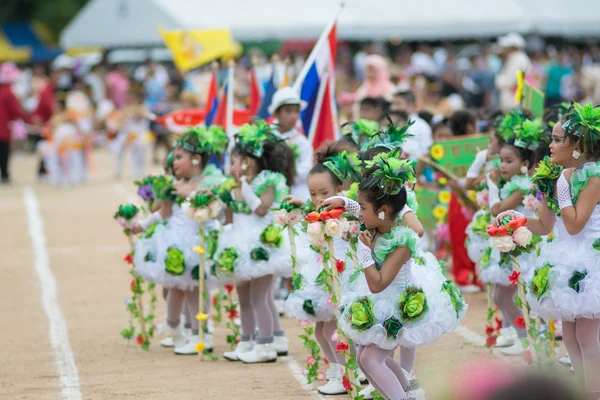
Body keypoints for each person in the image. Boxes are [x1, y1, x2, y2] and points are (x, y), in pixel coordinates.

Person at [333, 151, 465, 400]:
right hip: (382, 301)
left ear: (383, 210)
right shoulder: (376, 223)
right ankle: (410, 391)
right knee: (364, 357)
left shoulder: (401, 241)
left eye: (362, 208)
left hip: (396, 305)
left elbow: (378, 284)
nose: (358, 214)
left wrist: (364, 253)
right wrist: (341, 201)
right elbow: (365, 210)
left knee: (371, 359)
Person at [499, 103, 600, 398]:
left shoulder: (593, 177)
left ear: (578, 146)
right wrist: (515, 220)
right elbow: (544, 225)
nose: (551, 145)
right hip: (565, 261)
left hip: (591, 262)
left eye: (558, 140)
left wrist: (563, 188)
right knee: (569, 334)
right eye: (552, 139)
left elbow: (575, 225)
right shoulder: (555, 176)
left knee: (586, 334)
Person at [131, 127, 228, 355]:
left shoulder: (211, 182)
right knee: (176, 289)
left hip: (202, 241)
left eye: (180, 157)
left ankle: (200, 334)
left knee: (197, 289)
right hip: (177, 242)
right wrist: (142, 224)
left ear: (196, 159)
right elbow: (163, 213)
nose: (173, 161)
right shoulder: (171, 185)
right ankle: (175, 329)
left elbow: (219, 209)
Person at [212, 121, 297, 364]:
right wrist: (214, 205)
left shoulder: (268, 182)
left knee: (261, 297)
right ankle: (247, 340)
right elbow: (228, 218)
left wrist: (246, 187)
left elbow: (260, 209)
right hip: (238, 246)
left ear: (247, 162)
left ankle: (267, 344)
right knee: (245, 297)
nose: (231, 167)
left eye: (234, 161)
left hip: (262, 246)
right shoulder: (232, 187)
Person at [283, 142, 364, 395]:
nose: (318, 199)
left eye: (324, 192)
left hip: (343, 273)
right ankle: (337, 370)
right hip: (322, 272)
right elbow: (317, 210)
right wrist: (302, 203)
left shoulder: (348, 208)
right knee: (321, 329)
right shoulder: (320, 208)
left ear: (339, 190)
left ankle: (347, 373)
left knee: (334, 327)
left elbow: (360, 211)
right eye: (312, 193)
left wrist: (344, 202)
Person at [482, 118, 546, 356]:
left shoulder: (520, 187)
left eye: (509, 161)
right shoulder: (513, 184)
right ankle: (525, 335)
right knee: (502, 294)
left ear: (525, 164)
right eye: (501, 159)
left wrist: (491, 185)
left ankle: (528, 337)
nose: (503, 165)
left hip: (523, 248)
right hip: (511, 248)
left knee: (513, 295)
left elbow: (497, 209)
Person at [269, 86, 312, 200]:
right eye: (288, 111)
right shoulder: (265, 136)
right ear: (276, 113)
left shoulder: (302, 142)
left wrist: (287, 171)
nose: (293, 116)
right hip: (267, 192)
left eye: (296, 111)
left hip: (294, 193)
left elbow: (306, 170)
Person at [0, 62, 31, 184]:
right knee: (4, 152)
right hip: (3, 128)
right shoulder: (8, 93)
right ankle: (5, 175)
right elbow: (15, 111)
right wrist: (27, 118)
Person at [391, 89, 433, 158]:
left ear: (410, 106)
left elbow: (427, 153)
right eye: (392, 104)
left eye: (398, 104)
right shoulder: (392, 124)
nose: (393, 108)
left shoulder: (420, 125)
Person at [495, 33, 531, 111]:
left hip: (514, 102)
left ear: (512, 47)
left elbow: (508, 82)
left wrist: (498, 79)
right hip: (516, 101)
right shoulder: (517, 58)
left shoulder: (517, 59)